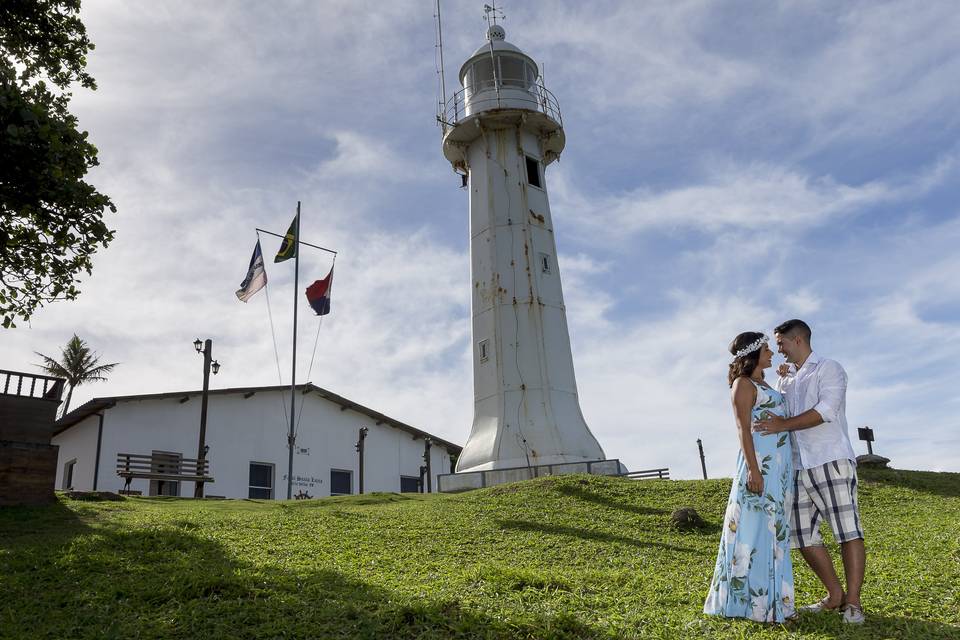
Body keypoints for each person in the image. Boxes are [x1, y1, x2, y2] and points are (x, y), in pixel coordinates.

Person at [753, 319, 865, 624]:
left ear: (798, 340)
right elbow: (777, 409)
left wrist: (783, 425)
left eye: (781, 344)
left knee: (848, 532)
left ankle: (853, 603)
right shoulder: (786, 379)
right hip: (798, 466)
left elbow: (827, 410)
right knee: (801, 536)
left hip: (832, 460)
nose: (778, 351)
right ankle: (835, 595)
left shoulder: (829, 368)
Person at [704, 332, 795, 623]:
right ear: (753, 354)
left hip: (779, 469)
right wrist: (755, 471)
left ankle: (771, 603)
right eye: (767, 349)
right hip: (760, 467)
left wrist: (786, 376)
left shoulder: (765, 382)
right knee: (754, 530)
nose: (772, 353)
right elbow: (743, 430)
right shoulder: (742, 385)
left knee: (774, 530)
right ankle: (749, 604)